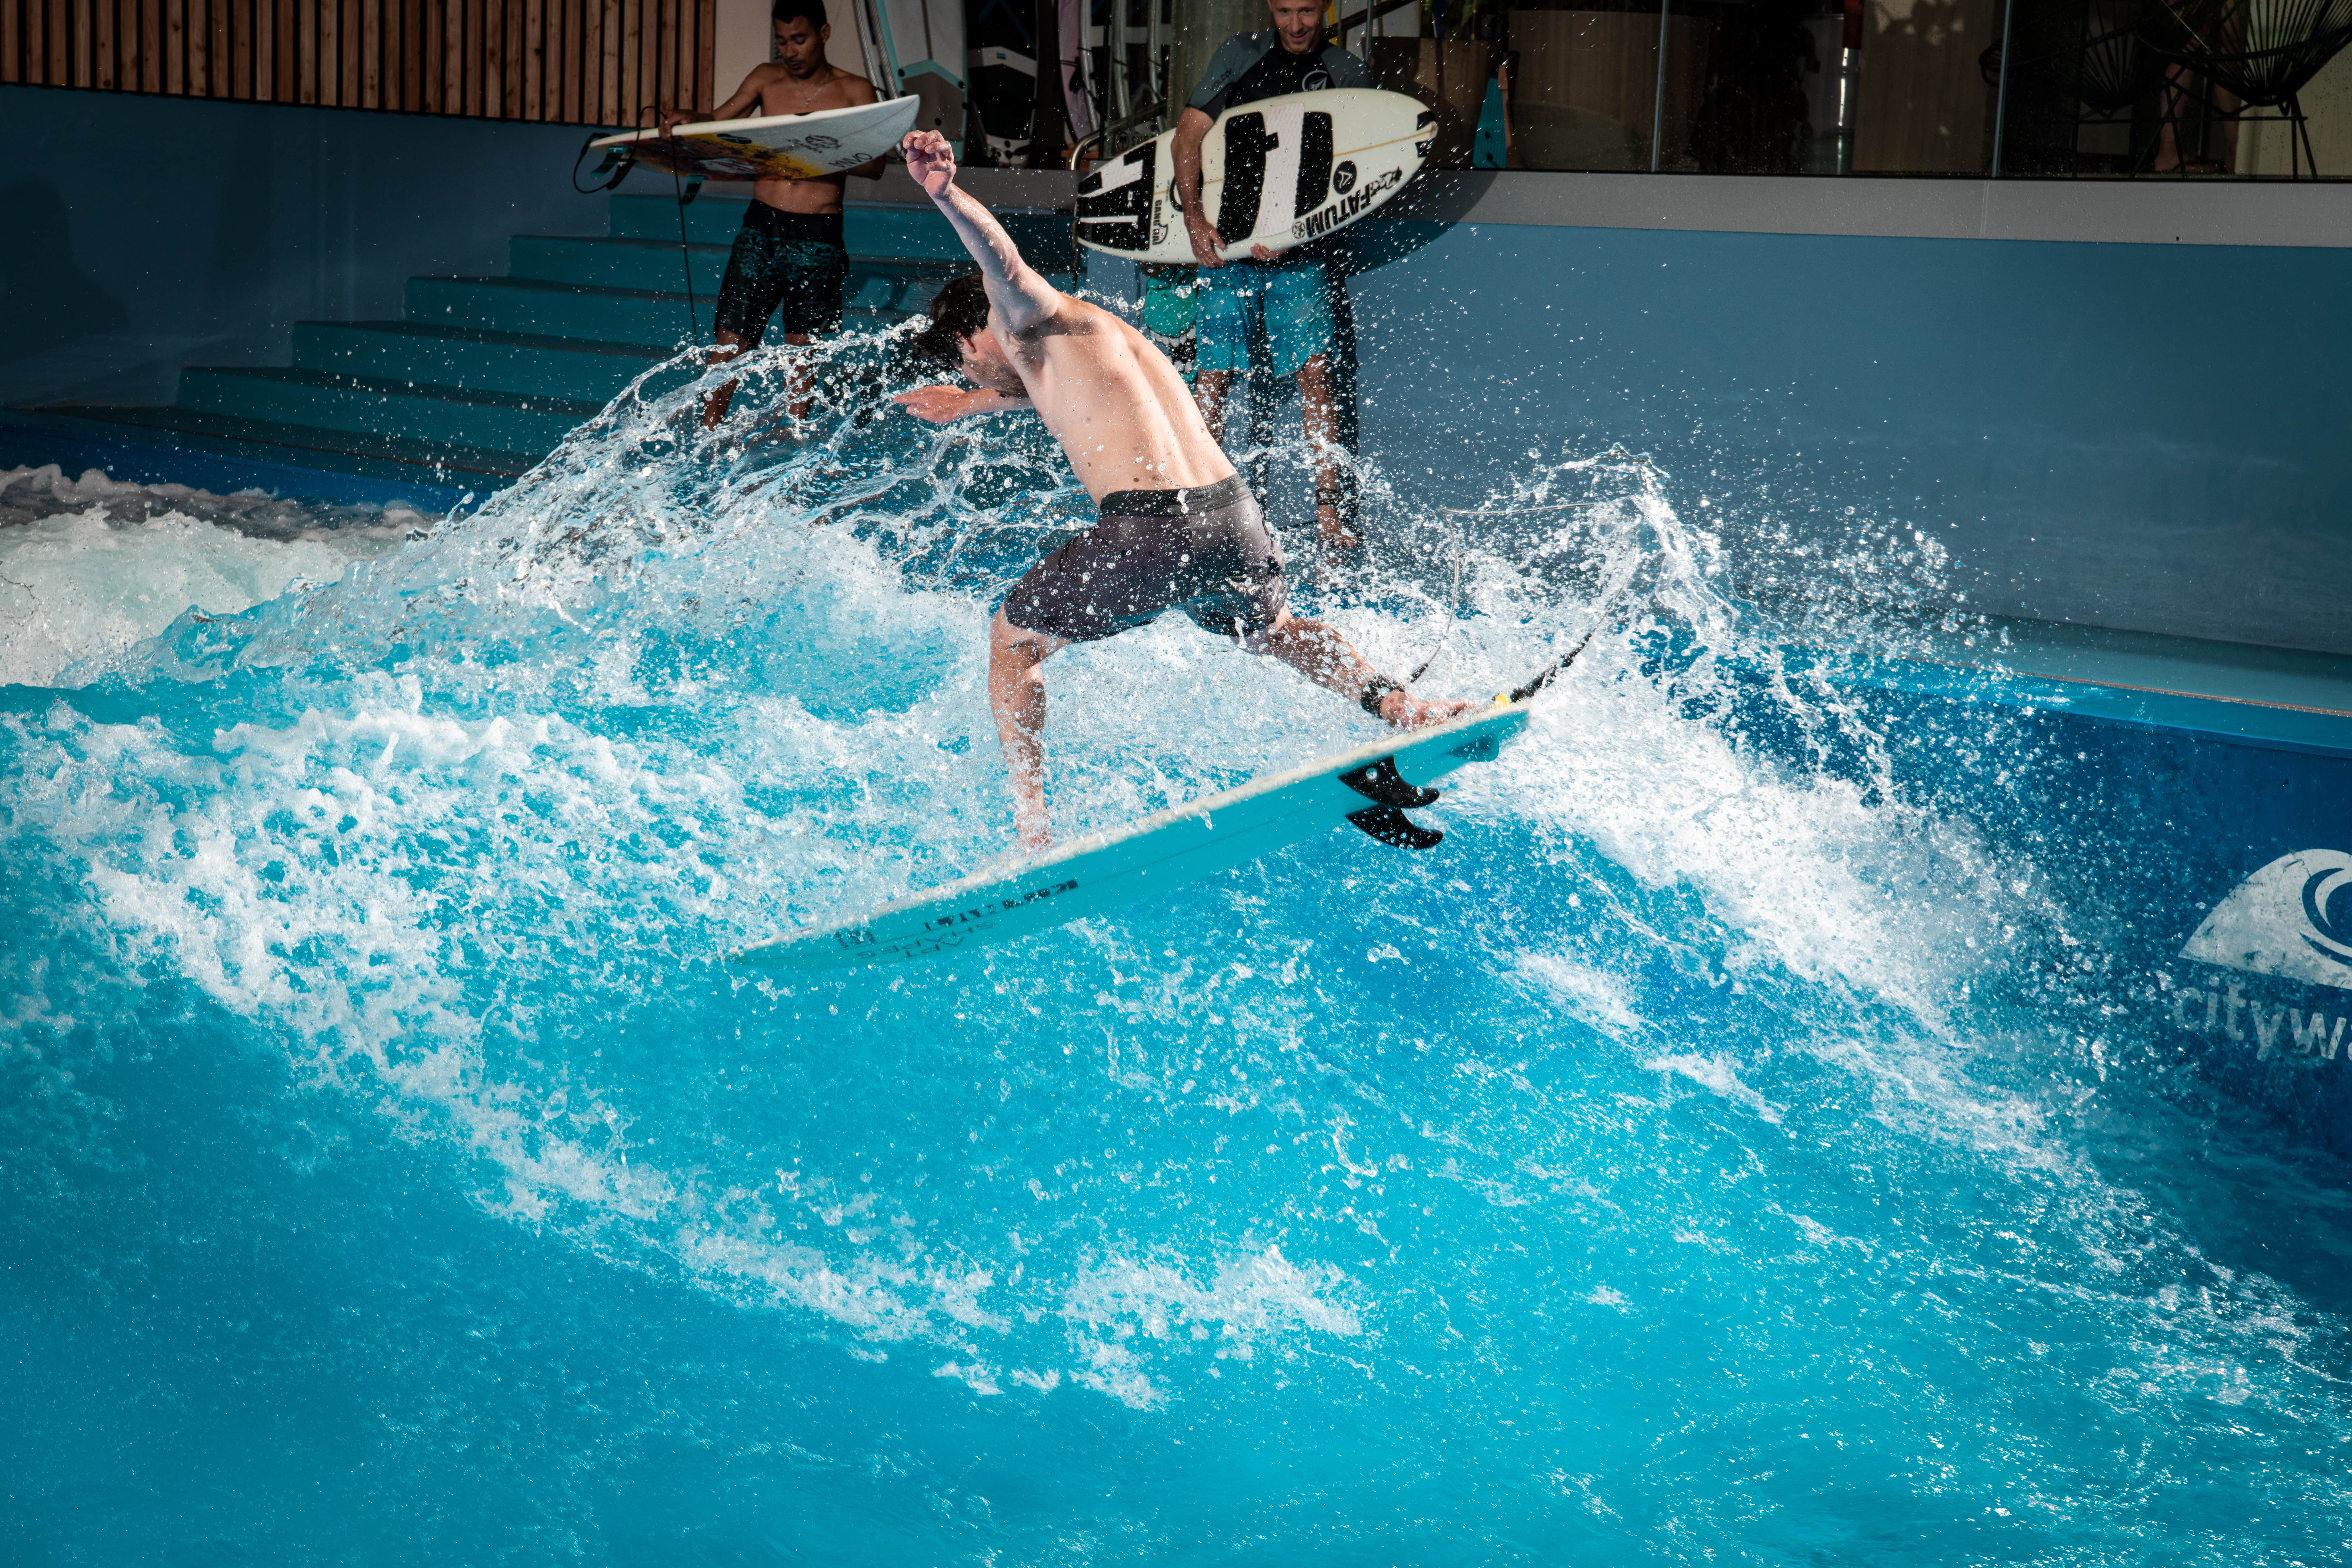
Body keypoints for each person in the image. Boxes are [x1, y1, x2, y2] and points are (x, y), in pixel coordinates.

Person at [888, 129, 1465, 853]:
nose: (972, 375)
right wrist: (971, 403)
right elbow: (1048, 391)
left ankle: (1033, 833)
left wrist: (946, 193)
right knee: (1276, 630)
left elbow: (1000, 262)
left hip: (1151, 532)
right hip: (1236, 522)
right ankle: (1399, 704)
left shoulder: (1019, 311)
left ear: (976, 334)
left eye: (965, 365)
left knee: (1012, 642)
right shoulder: (1100, 333)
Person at [1172, 0, 1370, 553]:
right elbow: (1186, 139)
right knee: (1212, 380)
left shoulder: (1347, 72)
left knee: (1316, 379)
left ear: (1325, 6)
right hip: (1229, 251)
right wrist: (1194, 221)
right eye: (1285, 11)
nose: (1297, 24)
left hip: (1302, 258)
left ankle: (1329, 517)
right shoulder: (1239, 55)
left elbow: (1363, 171)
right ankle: (1203, 511)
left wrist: (1299, 232)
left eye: (1307, 11)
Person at [662, 0, 883, 428]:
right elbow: (719, 122)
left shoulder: (854, 90)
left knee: (802, 344)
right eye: (782, 42)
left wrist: (812, 148)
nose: (790, 51)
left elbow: (875, 165)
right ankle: (708, 431)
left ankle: (796, 433)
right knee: (731, 337)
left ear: (823, 34)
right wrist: (691, 120)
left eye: (799, 40)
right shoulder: (766, 78)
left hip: (818, 232)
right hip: (762, 226)